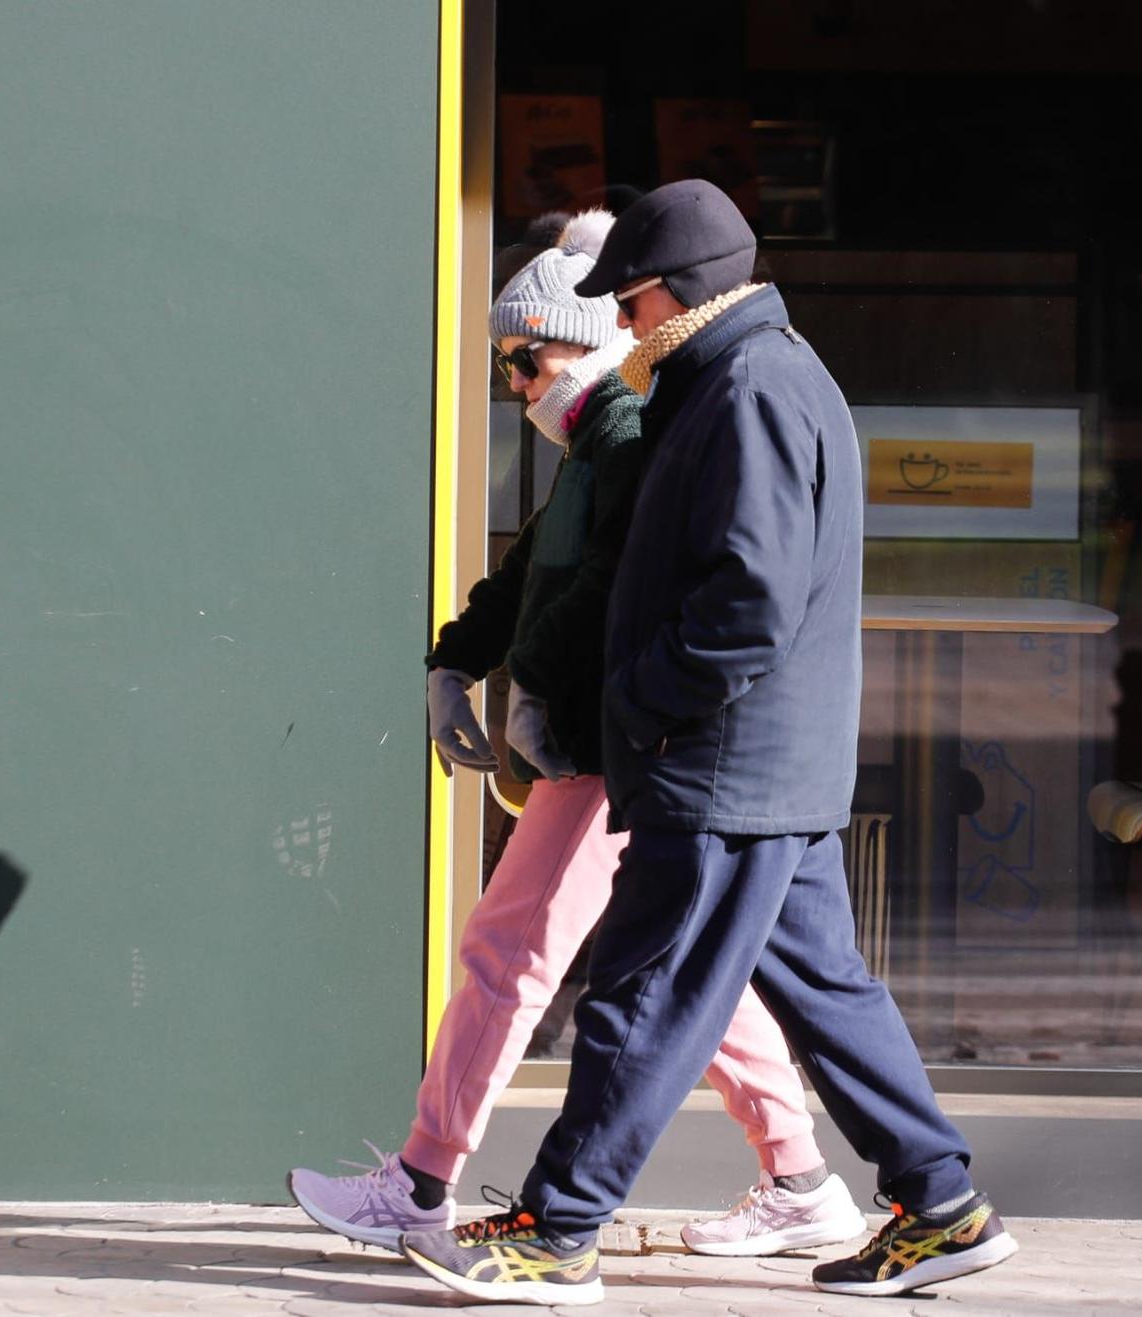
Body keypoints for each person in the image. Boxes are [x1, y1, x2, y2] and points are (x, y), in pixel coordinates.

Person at [400, 180, 1019, 1305]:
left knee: (643, 996)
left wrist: (635, 698)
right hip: (755, 767)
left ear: (671, 293)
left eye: (626, 303)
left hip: (722, 767)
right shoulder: (739, 380)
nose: (621, 327)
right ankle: (939, 1204)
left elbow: (748, 600)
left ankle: (556, 1231)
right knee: (825, 992)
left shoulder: (748, 391)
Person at [286, 209, 865, 1259]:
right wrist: (458, 657)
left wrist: (535, 690)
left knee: (509, 952)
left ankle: (421, 1182)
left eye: (526, 357)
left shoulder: (633, 428)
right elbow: (536, 568)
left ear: (597, 332)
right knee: (695, 978)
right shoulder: (598, 433)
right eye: (505, 364)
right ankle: (804, 1178)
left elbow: (612, 591)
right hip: (610, 734)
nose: (515, 384)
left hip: (609, 739)